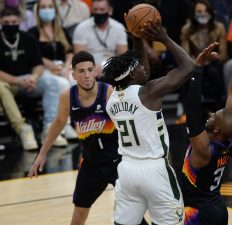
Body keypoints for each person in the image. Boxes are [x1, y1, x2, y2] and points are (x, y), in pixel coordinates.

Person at [104, 18, 218, 224]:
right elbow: (188, 68)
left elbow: (142, 76)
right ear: (131, 75)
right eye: (138, 66)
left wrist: (137, 40)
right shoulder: (148, 93)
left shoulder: (112, 98)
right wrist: (164, 38)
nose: (143, 68)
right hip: (155, 170)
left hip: (127, 170)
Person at [28, 51, 149, 225]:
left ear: (95, 71)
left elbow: (130, 121)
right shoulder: (67, 97)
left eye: (89, 70)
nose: (86, 75)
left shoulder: (108, 93)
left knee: (133, 216)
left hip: (118, 162)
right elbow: (59, 122)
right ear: (73, 75)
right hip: (91, 164)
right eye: (81, 71)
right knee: (79, 214)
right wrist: (42, 153)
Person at [180, 35, 232, 225]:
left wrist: (198, 67)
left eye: (215, 115)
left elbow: (192, 109)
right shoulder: (228, 138)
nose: (211, 113)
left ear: (216, 128)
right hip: (218, 209)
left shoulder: (204, 149)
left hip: (198, 213)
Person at [0, 6, 69, 150]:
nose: (11, 25)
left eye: (14, 22)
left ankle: (50, 128)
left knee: (53, 83)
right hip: (8, 83)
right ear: (1, 22)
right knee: (0, 88)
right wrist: (19, 81)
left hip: (30, 81)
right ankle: (23, 129)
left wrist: (34, 77)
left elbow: (38, 65)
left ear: (19, 21)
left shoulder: (28, 38)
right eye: (7, 23)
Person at [29, 0, 77, 144]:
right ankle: (54, 127)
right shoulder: (33, 32)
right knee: (61, 84)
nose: (47, 10)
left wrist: (67, 67)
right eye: (43, 7)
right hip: (43, 70)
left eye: (50, 7)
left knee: (74, 81)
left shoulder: (61, 30)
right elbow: (34, 56)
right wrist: (52, 66)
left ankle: (68, 124)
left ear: (55, 10)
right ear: (38, 11)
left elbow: (69, 52)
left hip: (62, 68)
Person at [180, 0, 227, 113]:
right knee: (187, 73)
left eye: (205, 11)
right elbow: (185, 54)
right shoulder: (187, 29)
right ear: (194, 14)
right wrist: (197, 60)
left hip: (213, 63)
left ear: (210, 12)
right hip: (194, 63)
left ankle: (220, 108)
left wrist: (215, 57)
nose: (203, 13)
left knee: (214, 72)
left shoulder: (219, 27)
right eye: (199, 11)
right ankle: (189, 110)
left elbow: (224, 55)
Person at [73, 0, 128, 71]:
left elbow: (123, 56)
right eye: (95, 9)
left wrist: (113, 69)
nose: (98, 12)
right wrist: (93, 67)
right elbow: (79, 58)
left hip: (113, 69)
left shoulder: (119, 28)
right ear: (92, 10)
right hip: (89, 69)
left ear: (110, 11)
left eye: (102, 10)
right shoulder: (81, 28)